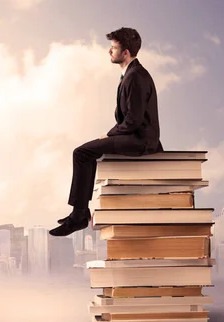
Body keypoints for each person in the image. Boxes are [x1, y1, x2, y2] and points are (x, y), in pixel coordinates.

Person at [49, 27, 164, 237]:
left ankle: (79, 216)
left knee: (82, 153)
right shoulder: (130, 74)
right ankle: (80, 213)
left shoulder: (136, 76)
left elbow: (134, 120)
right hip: (133, 135)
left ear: (126, 52)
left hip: (140, 140)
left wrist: (110, 135)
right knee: (87, 152)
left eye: (113, 48)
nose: (109, 52)